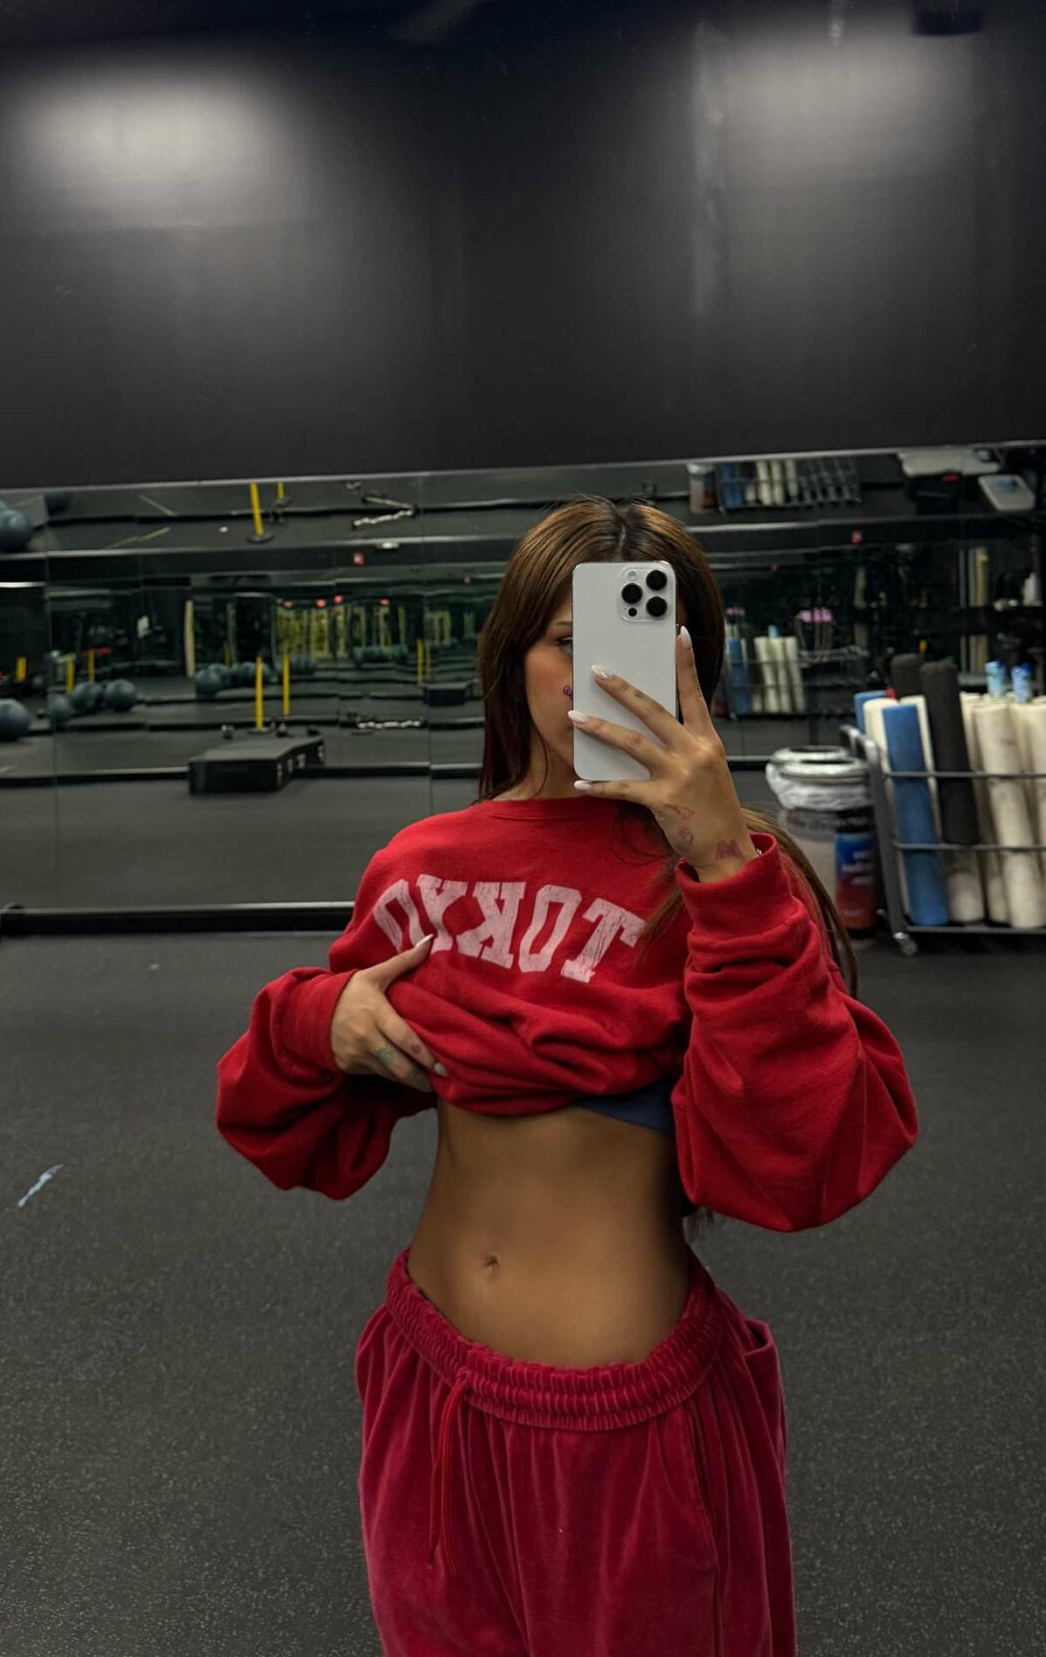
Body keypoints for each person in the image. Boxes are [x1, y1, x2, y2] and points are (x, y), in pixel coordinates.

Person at [216, 495, 919, 1657]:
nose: (596, 672)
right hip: (430, 1390)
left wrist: (717, 851)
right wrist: (318, 1022)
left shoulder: (731, 881)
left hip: (624, 1431)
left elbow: (804, 1163)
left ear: (691, 663)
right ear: (513, 658)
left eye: (632, 640)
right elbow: (273, 1116)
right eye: (563, 641)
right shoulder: (424, 862)